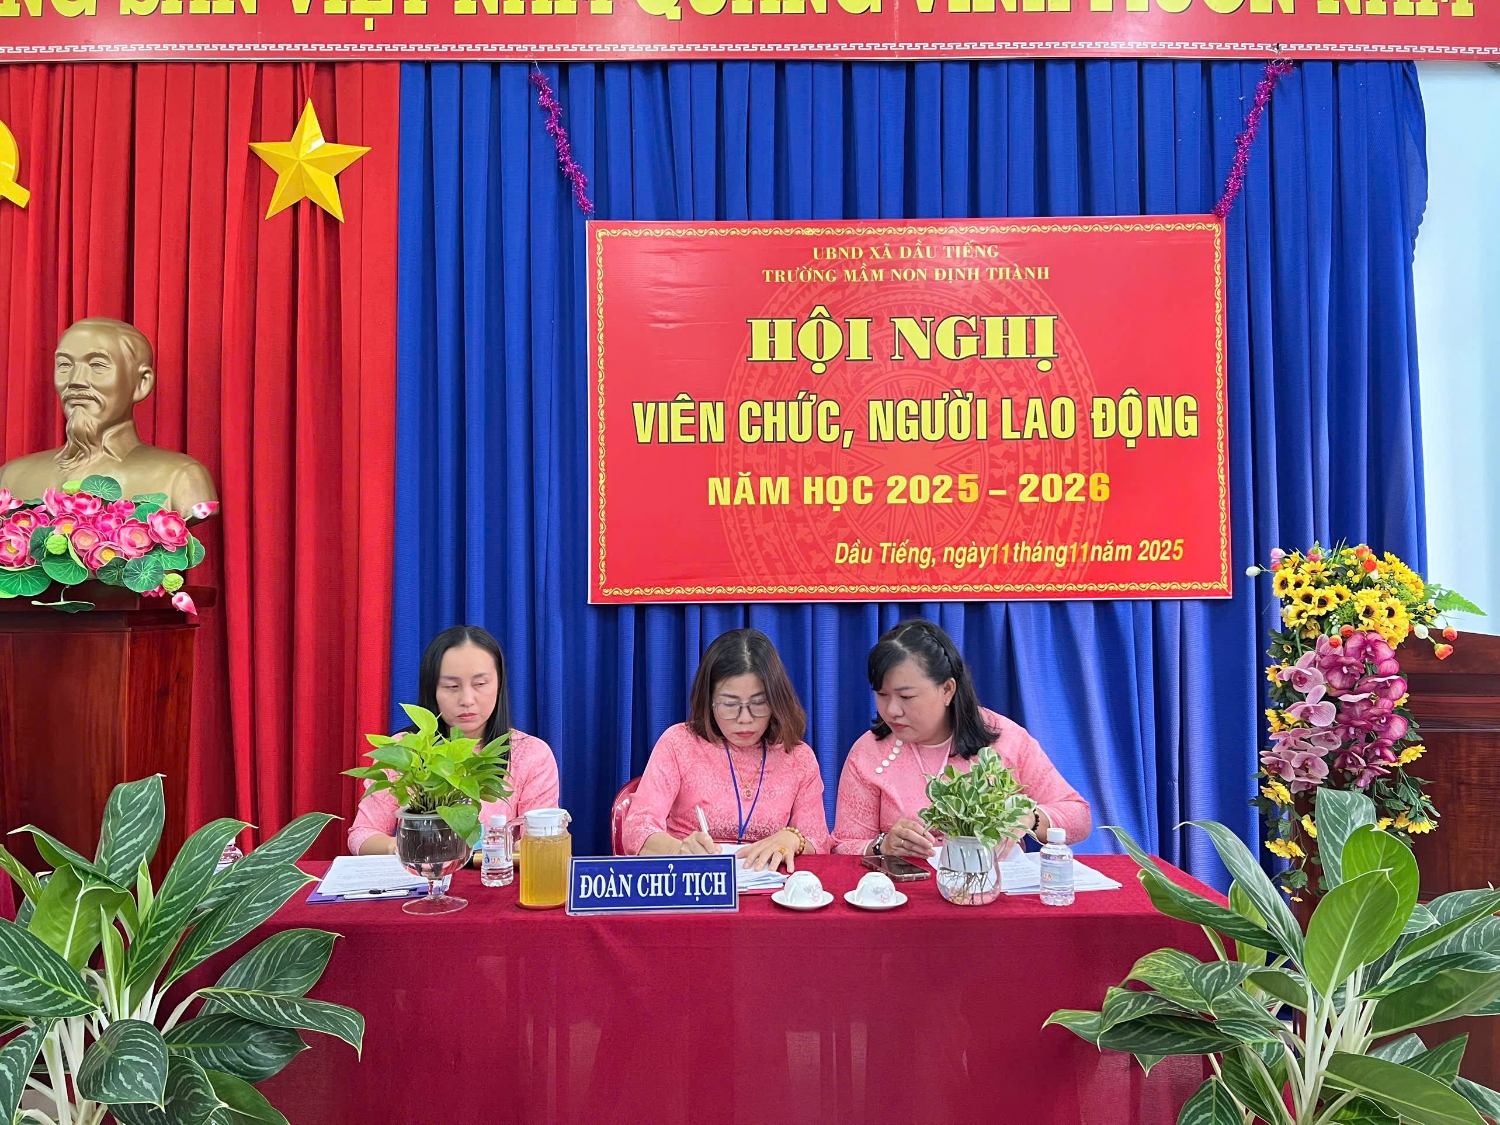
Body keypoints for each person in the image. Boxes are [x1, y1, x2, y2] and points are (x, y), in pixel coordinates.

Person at [832, 619, 1091, 858]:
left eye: (906, 697)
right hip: (903, 890)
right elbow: (842, 845)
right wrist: (882, 845)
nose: (891, 710)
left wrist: (1028, 818)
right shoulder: (869, 752)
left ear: (947, 689)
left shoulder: (1005, 740)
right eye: (882, 695)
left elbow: (1079, 817)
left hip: (993, 887)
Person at [621, 628, 829, 871]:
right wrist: (678, 850)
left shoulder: (798, 757)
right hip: (691, 878)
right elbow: (637, 828)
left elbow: (819, 841)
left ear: (776, 701)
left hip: (769, 882)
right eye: (730, 704)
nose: (745, 718)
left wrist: (793, 839)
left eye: (758, 703)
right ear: (709, 701)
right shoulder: (678, 743)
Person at [347, 625, 559, 856]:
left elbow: (542, 841)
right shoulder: (405, 750)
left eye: (480, 684)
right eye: (452, 687)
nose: (467, 699)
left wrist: (523, 848)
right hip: (423, 874)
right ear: (433, 690)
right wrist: (405, 848)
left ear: (499, 685)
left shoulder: (531, 754)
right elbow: (362, 835)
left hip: (496, 875)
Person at [0, 318, 217, 515]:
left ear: (141, 383)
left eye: (97, 365)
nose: (75, 381)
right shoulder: (11, 478)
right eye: (65, 365)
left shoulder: (180, 477)